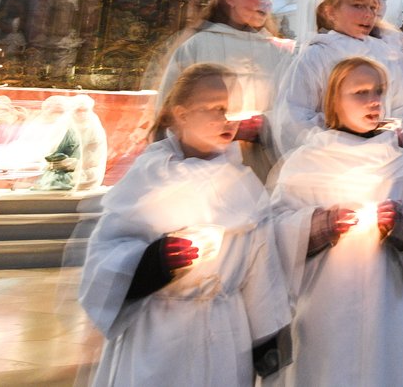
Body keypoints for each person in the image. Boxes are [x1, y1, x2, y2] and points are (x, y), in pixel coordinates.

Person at [79, 64, 290, 386]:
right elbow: (103, 258)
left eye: (233, 110)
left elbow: (262, 268)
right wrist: (156, 260)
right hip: (160, 333)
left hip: (226, 333)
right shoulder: (148, 178)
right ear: (182, 114)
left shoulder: (244, 184)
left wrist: (267, 341)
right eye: (217, 109)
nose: (228, 120)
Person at [269, 57, 403, 386]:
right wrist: (319, 225)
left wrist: (401, 221)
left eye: (379, 91)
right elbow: (276, 226)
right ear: (334, 101)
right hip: (324, 302)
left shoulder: (398, 159)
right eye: (361, 92)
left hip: (386, 300)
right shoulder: (306, 160)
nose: (374, 100)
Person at [272, 0, 403, 163]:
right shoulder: (316, 55)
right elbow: (293, 116)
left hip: (381, 157)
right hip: (332, 158)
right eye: (358, 5)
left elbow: (402, 107)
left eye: (373, 7)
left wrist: (400, 135)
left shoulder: (385, 54)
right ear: (330, 12)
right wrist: (347, 133)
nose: (368, 14)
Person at [158, 0, 295, 182]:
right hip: (204, 165)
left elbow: (294, 108)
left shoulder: (279, 52)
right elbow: (169, 110)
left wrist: (265, 124)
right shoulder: (199, 45)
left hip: (264, 162)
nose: (266, 1)